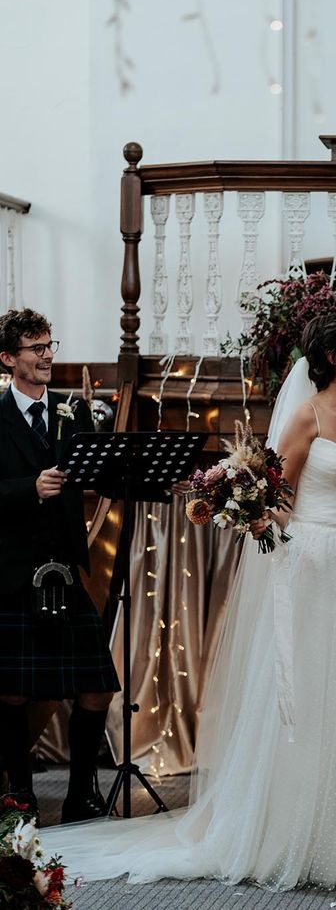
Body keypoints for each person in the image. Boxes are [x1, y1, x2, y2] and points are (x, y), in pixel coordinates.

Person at [42, 312, 336, 891]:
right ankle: (281, 830)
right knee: (301, 693)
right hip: (305, 563)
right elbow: (277, 496)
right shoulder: (306, 417)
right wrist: (255, 515)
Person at [0, 308, 120, 823]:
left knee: (97, 686)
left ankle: (80, 793)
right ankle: (20, 794)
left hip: (66, 572)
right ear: (9, 359)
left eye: (50, 344)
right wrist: (28, 489)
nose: (48, 355)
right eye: (36, 348)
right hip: (12, 572)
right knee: (12, 688)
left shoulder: (76, 412)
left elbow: (101, 474)